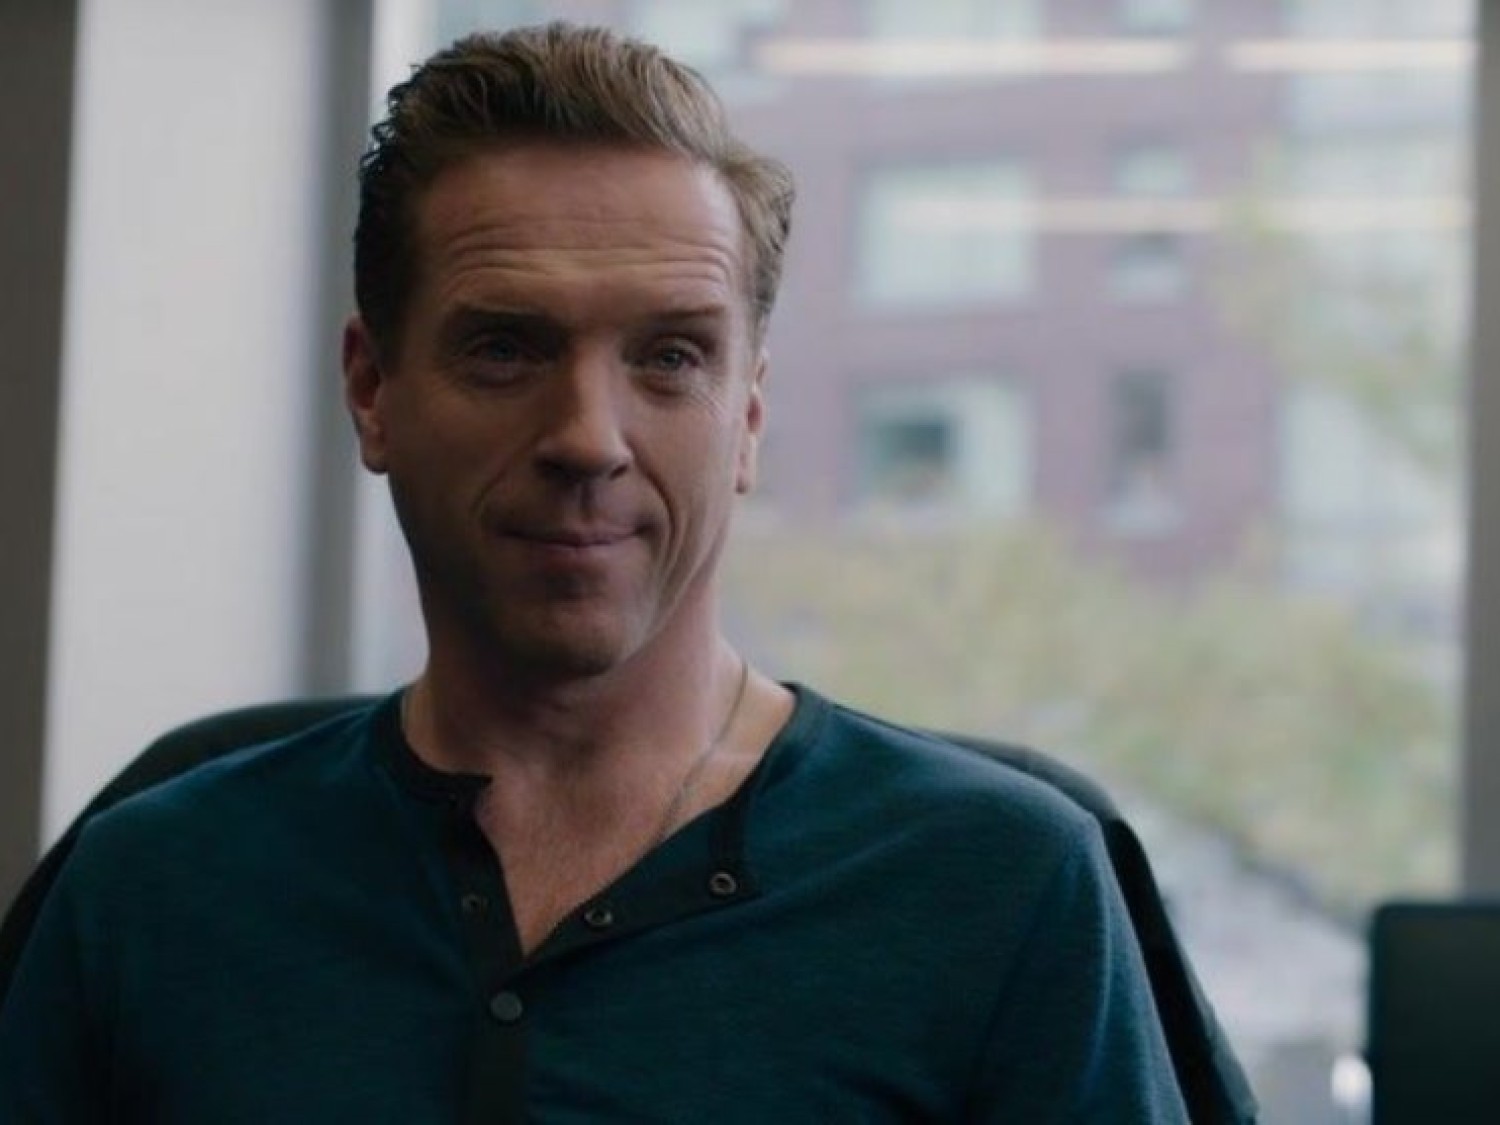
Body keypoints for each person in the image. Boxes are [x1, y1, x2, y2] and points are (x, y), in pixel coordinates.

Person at [0, 22, 1191, 1122]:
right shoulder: (156, 885)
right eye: (504, 348)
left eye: (670, 357)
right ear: (372, 391)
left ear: (749, 415)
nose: (588, 438)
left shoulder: (1003, 885)